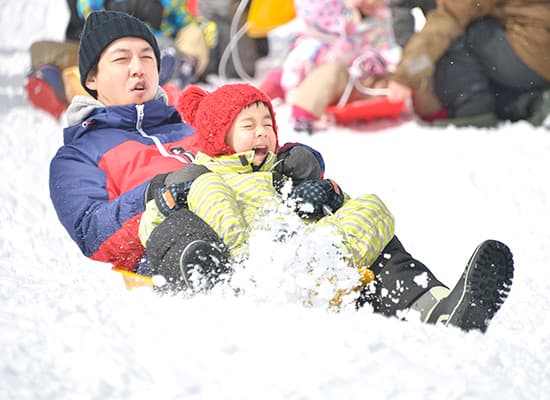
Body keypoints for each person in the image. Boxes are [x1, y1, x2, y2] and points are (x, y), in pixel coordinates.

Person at [138, 82, 515, 333]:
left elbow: (348, 218)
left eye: (267, 123)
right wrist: (171, 200)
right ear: (221, 138)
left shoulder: (285, 172)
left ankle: (437, 307)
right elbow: (151, 227)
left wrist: (330, 198)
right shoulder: (199, 176)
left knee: (372, 213)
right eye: (247, 125)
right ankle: (214, 281)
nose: (261, 133)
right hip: (249, 272)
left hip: (318, 268)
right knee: (202, 200)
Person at [48, 10, 324, 291]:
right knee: (180, 226)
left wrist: (289, 161)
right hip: (171, 246)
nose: (138, 68)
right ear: (91, 78)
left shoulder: (192, 126)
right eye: (121, 59)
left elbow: (248, 159)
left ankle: (342, 264)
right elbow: (92, 233)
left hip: (249, 219)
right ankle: (222, 285)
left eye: (147, 57)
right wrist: (157, 193)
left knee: (310, 201)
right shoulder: (78, 155)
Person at [386, 0, 550, 128]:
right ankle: (532, 102)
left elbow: (447, 20)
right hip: (538, 54)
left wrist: (406, 75)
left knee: (458, 35)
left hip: (534, 52)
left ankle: (472, 114)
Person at [275, 0, 402, 133]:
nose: (370, 2)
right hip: (333, 82)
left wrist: (377, 61)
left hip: (363, 83)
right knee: (332, 71)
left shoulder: (382, 18)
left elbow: (388, 49)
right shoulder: (337, 17)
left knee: (396, 79)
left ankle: (399, 102)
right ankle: (304, 113)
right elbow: (314, 14)